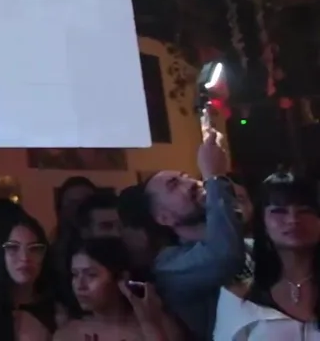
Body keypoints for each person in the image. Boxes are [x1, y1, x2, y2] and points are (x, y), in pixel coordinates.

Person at [118, 129, 243, 339]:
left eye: (187, 177)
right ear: (164, 218)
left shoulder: (241, 239)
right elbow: (224, 255)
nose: (192, 183)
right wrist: (215, 177)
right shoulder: (169, 266)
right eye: (174, 185)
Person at [214, 172, 320, 340]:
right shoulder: (238, 297)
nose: (293, 220)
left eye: (305, 211)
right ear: (262, 222)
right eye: (279, 211)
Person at [56, 237, 182, 341]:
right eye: (75, 274)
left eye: (91, 275)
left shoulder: (159, 325)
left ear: (121, 278)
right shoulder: (69, 333)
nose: (80, 285)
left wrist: (150, 326)